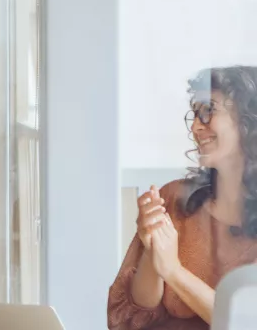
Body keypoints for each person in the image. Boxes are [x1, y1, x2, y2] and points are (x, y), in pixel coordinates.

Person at [108, 66, 257, 329]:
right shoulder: (173, 198)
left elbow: (246, 322)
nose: (196, 127)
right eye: (195, 114)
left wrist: (174, 271)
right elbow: (135, 317)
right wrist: (154, 251)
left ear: (248, 120)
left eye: (208, 111)